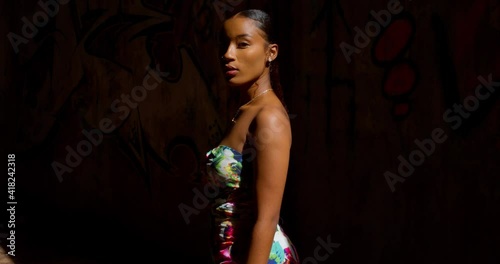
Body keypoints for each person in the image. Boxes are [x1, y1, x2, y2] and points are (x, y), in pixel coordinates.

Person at [205, 9, 300, 264]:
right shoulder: (245, 110)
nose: (227, 54)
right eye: (224, 44)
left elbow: (267, 218)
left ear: (271, 53)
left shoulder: (269, 118)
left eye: (242, 44)